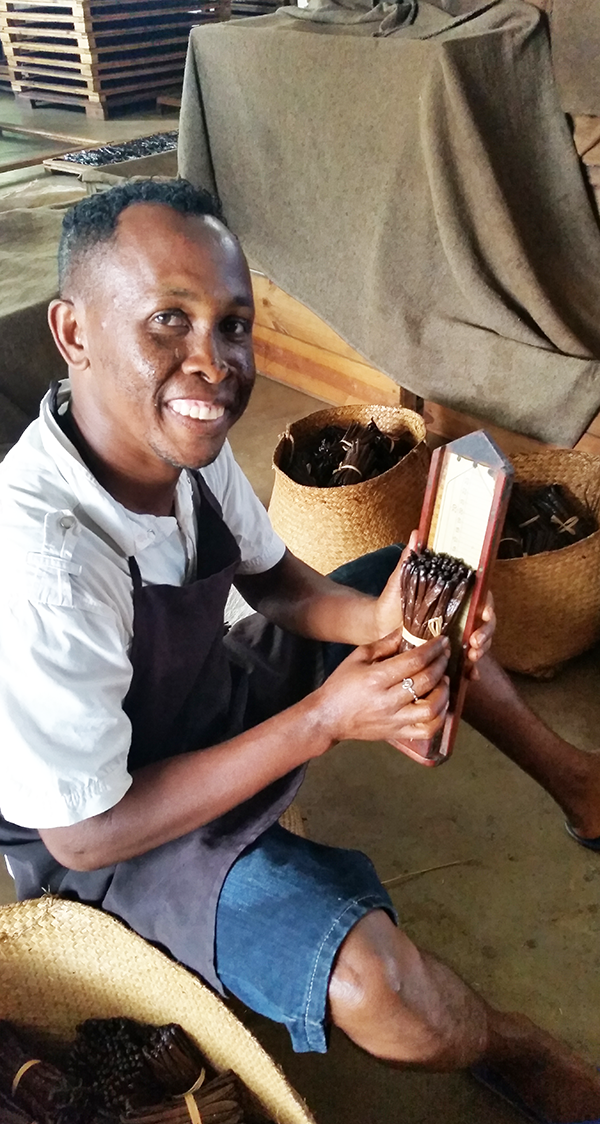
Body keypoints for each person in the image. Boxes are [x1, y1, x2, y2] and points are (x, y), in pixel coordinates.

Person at [0, 179, 598, 1124]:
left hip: (196, 700)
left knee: (413, 593)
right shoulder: (45, 563)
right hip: (113, 839)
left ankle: (581, 784)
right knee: (376, 987)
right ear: (75, 332)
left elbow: (277, 583)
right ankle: (512, 1047)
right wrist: (325, 719)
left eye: (233, 325)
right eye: (169, 320)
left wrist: (388, 619)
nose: (214, 362)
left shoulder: (180, 443)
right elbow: (83, 834)